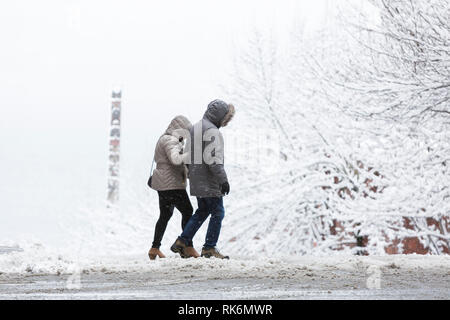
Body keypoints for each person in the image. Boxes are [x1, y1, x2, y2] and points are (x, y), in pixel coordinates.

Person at [171, 100, 235, 259]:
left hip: (197, 179)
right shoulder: (212, 131)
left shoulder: (194, 128)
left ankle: (182, 240)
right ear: (221, 116)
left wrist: (192, 174)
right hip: (210, 180)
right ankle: (209, 247)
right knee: (218, 212)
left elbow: (186, 156)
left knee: (203, 211)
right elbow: (214, 159)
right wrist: (223, 180)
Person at [148, 115, 200, 260]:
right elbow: (176, 160)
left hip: (163, 184)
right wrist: (192, 155)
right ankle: (187, 246)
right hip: (171, 184)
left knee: (165, 215)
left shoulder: (165, 139)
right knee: (188, 211)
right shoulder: (171, 140)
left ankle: (154, 248)